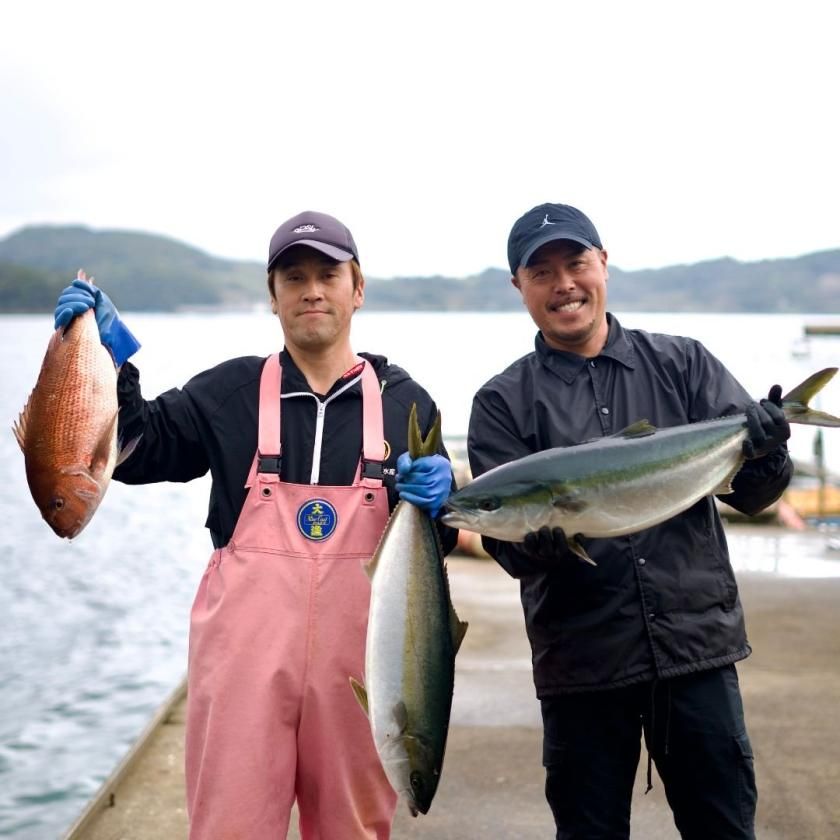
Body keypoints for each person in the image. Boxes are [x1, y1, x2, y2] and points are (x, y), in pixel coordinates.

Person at [53, 210, 457, 840]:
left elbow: (431, 554)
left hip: (362, 673)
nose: (312, 290)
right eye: (293, 278)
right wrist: (112, 358)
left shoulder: (407, 401)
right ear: (273, 297)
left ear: (359, 288)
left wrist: (443, 503)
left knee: (354, 829)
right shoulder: (231, 391)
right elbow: (137, 449)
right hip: (244, 668)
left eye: (329, 274)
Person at [466, 202, 792, 840]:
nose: (563, 283)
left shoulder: (683, 365)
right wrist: (548, 542)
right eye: (542, 272)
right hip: (583, 667)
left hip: (695, 652)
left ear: (603, 264)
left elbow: (755, 496)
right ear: (518, 286)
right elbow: (509, 547)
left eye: (576, 262)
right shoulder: (501, 403)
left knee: (723, 828)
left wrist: (767, 448)